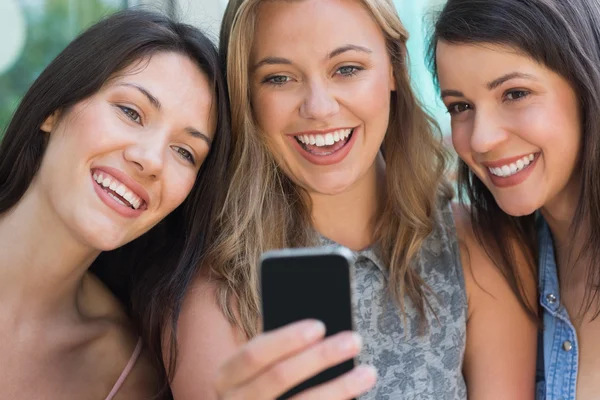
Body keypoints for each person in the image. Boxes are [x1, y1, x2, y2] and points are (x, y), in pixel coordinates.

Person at [166, 0, 538, 399]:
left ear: (394, 67)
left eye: (347, 69)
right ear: (247, 96)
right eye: (278, 78)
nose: (319, 108)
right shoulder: (214, 292)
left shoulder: (482, 251)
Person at [0, 9, 229, 399]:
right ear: (54, 109)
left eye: (184, 152)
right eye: (130, 112)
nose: (152, 160)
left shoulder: (127, 375)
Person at [429, 0, 600, 398]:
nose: (481, 139)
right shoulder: (501, 271)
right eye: (461, 107)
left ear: (586, 83)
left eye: (515, 93)